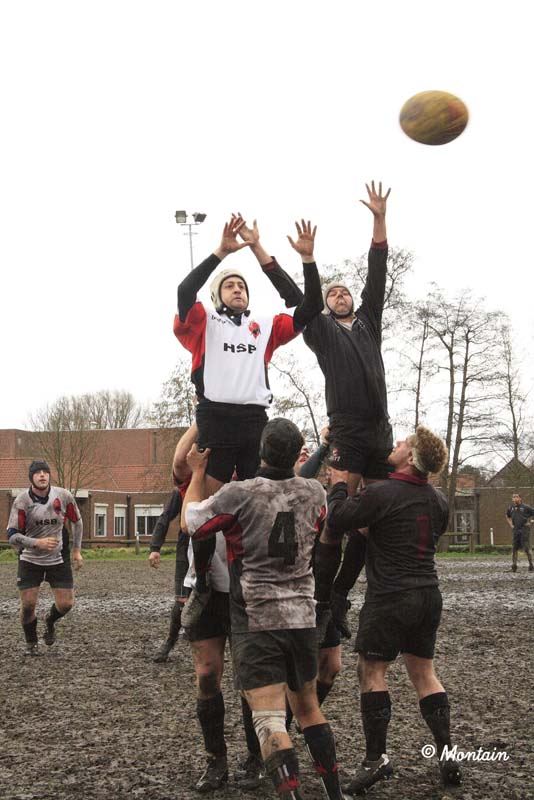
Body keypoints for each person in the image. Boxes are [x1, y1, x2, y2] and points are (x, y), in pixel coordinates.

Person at [182, 418, 346, 800]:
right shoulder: (315, 492)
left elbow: (192, 522)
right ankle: (335, 794)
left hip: (257, 617)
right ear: (295, 453)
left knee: (269, 718)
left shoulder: (241, 493)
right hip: (302, 616)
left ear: (261, 451)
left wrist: (198, 473)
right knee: (308, 709)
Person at [174, 214, 323, 621]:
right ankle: (200, 582)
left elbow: (310, 306)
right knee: (205, 507)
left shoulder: (264, 326)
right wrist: (221, 252)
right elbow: (184, 291)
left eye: (242, 285)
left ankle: (267, 574)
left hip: (255, 421)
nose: (238, 289)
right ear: (218, 296)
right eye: (230, 285)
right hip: (216, 420)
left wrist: (275, 254)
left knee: (269, 499)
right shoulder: (204, 321)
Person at [327, 426, 462, 795]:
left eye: (404, 443)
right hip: (428, 595)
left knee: (371, 671)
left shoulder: (382, 493)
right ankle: (447, 755)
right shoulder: (439, 501)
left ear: (411, 457)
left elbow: (337, 518)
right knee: (424, 673)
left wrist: (338, 485)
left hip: (389, 597)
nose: (398, 443)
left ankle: (376, 759)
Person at [289, 182, 393, 633]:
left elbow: (377, 272)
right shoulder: (322, 331)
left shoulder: (369, 321)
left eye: (343, 292)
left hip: (380, 430)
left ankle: (340, 598)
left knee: (373, 521)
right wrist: (308, 260)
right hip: (346, 429)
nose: (339, 295)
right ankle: (319, 600)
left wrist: (379, 220)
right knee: (338, 516)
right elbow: (301, 299)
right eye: (332, 294)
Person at [149, 426, 264, 791]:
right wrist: (204, 413)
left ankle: (257, 757)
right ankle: (216, 760)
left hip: (248, 591)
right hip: (207, 589)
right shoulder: (202, 475)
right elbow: (179, 462)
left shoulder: (254, 474)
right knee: (206, 674)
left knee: (250, 680)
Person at [7, 459, 83, 655]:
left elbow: (77, 521)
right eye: (37, 472)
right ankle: (31, 643)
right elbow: (12, 535)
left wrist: (76, 550)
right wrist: (36, 543)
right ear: (31, 477)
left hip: (57, 558)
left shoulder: (63, 496)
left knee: (66, 604)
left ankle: (50, 620)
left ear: (49, 475)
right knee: (28, 605)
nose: (42, 475)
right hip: (30, 558)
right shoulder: (22, 501)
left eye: (45, 472)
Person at [149, 424, 198, 662]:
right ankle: (169, 642)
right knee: (181, 600)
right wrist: (155, 548)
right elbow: (165, 517)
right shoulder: (183, 489)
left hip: (216, 548)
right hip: (186, 549)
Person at [506, 493, 534, 572]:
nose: (515, 498)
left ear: (520, 498)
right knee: (514, 548)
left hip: (524, 530)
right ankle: (514, 566)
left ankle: (531, 566)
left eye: (517, 497)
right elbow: (507, 516)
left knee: (526, 548)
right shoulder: (510, 508)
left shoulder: (526, 507)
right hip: (515, 530)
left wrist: (531, 521)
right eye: (513, 497)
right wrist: (511, 525)